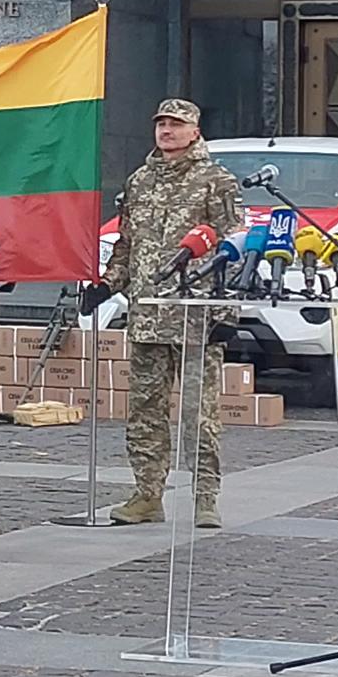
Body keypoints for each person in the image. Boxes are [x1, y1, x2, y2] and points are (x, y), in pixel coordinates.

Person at [89, 97, 242, 529]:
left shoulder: (217, 181)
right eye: (161, 124)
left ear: (195, 131)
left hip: (197, 318)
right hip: (148, 316)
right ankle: (147, 494)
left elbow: (234, 247)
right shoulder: (139, 181)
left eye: (177, 124)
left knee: (200, 413)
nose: (167, 131)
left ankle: (205, 496)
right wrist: (107, 283)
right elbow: (126, 242)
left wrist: (227, 314)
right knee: (144, 411)